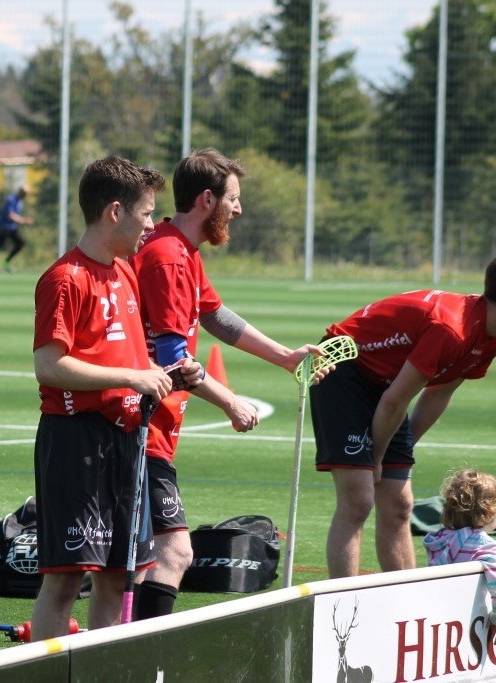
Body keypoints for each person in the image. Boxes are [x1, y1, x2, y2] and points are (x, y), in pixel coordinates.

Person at [127, 148, 330, 619]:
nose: (238, 209)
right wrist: (229, 402)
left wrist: (285, 357)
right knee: (173, 553)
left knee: (140, 560)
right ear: (207, 200)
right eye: (233, 199)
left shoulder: (180, 249)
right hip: (141, 429)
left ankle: (127, 647)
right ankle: (146, 652)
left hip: (153, 429)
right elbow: (173, 360)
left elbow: (215, 315)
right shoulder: (169, 257)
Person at [309, 242, 496, 579]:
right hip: (344, 371)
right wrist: (375, 458)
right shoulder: (452, 329)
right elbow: (395, 401)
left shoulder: (492, 337)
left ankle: (407, 598)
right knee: (359, 500)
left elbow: (438, 393)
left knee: (399, 504)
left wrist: (399, 453)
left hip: (387, 387)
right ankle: (344, 605)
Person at [29, 156, 203, 641]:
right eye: (145, 213)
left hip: (128, 443)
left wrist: (170, 374)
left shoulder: (125, 272)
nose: (151, 224)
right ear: (114, 212)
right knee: (65, 582)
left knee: (118, 577)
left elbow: (130, 357)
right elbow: (49, 366)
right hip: (76, 443)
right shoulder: (66, 278)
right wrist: (133, 377)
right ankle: (49, 675)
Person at [424, 469, 496, 644]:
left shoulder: (438, 539)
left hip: (438, 614)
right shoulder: (486, 545)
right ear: (489, 514)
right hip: (469, 618)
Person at [0, 184, 34, 271]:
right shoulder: (11, 200)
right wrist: (23, 221)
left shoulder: (20, 201)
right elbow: (10, 215)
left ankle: (6, 262)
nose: (25, 196)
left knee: (20, 243)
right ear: (21, 192)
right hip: (3, 227)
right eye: (25, 194)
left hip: (12, 227)